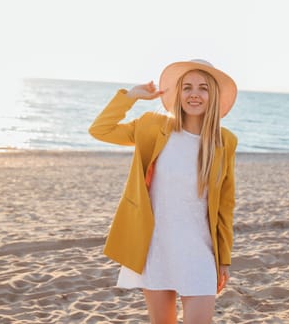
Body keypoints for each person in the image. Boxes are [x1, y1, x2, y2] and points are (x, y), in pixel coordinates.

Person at [88, 59, 238, 323]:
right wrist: (132, 96)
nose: (194, 94)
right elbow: (100, 130)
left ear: (212, 95)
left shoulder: (224, 141)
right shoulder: (153, 127)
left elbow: (225, 205)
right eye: (187, 87)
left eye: (203, 88)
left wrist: (224, 257)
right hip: (158, 248)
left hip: (200, 252)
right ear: (177, 93)